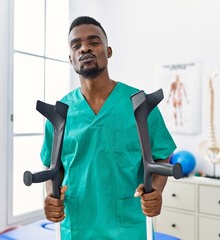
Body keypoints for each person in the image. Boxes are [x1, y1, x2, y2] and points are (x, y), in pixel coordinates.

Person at [40, 16, 176, 240]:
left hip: (127, 227)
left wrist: (157, 192)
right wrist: (50, 196)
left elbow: (162, 157)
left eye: (94, 42)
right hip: (77, 226)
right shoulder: (59, 113)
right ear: (70, 58)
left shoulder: (140, 105)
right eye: (77, 45)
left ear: (108, 51)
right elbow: (52, 166)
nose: (85, 48)